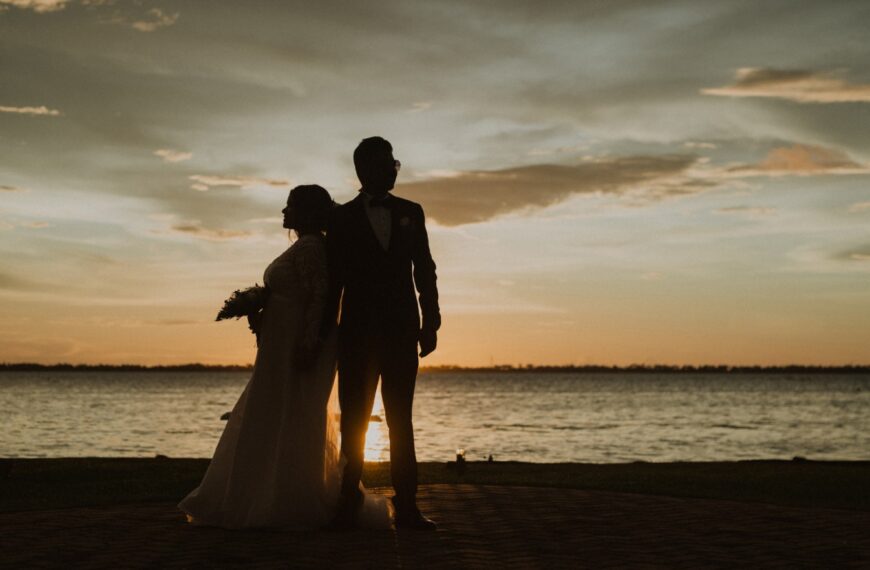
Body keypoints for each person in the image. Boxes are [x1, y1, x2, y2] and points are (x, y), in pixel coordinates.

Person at [178, 184, 391, 530]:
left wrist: (308, 344)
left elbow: (319, 297)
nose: (283, 211)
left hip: (296, 350)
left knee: (291, 416)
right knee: (272, 416)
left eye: (289, 205)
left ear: (304, 212)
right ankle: (260, 495)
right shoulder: (305, 247)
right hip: (279, 349)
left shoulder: (310, 248)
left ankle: (288, 501)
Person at [323, 137, 440, 530]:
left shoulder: (411, 211)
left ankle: (407, 505)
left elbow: (424, 269)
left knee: (400, 419)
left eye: (395, 162)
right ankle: (347, 500)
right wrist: (325, 331)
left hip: (402, 332)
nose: (395, 168)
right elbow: (333, 280)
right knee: (354, 419)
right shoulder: (340, 218)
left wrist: (431, 322)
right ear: (366, 169)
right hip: (356, 334)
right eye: (389, 162)